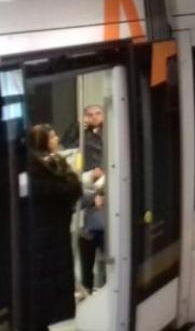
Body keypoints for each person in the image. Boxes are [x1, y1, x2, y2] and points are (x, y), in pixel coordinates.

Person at [26, 124, 82, 329]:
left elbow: (73, 188)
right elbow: (68, 189)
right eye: (53, 136)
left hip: (54, 235)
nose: (57, 138)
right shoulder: (38, 169)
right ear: (44, 141)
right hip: (47, 238)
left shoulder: (51, 163)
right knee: (49, 289)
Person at [79, 105, 106, 295]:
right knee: (87, 255)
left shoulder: (111, 134)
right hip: (88, 196)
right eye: (90, 114)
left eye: (98, 113)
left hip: (106, 195)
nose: (95, 117)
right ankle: (87, 290)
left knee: (106, 252)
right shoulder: (83, 138)